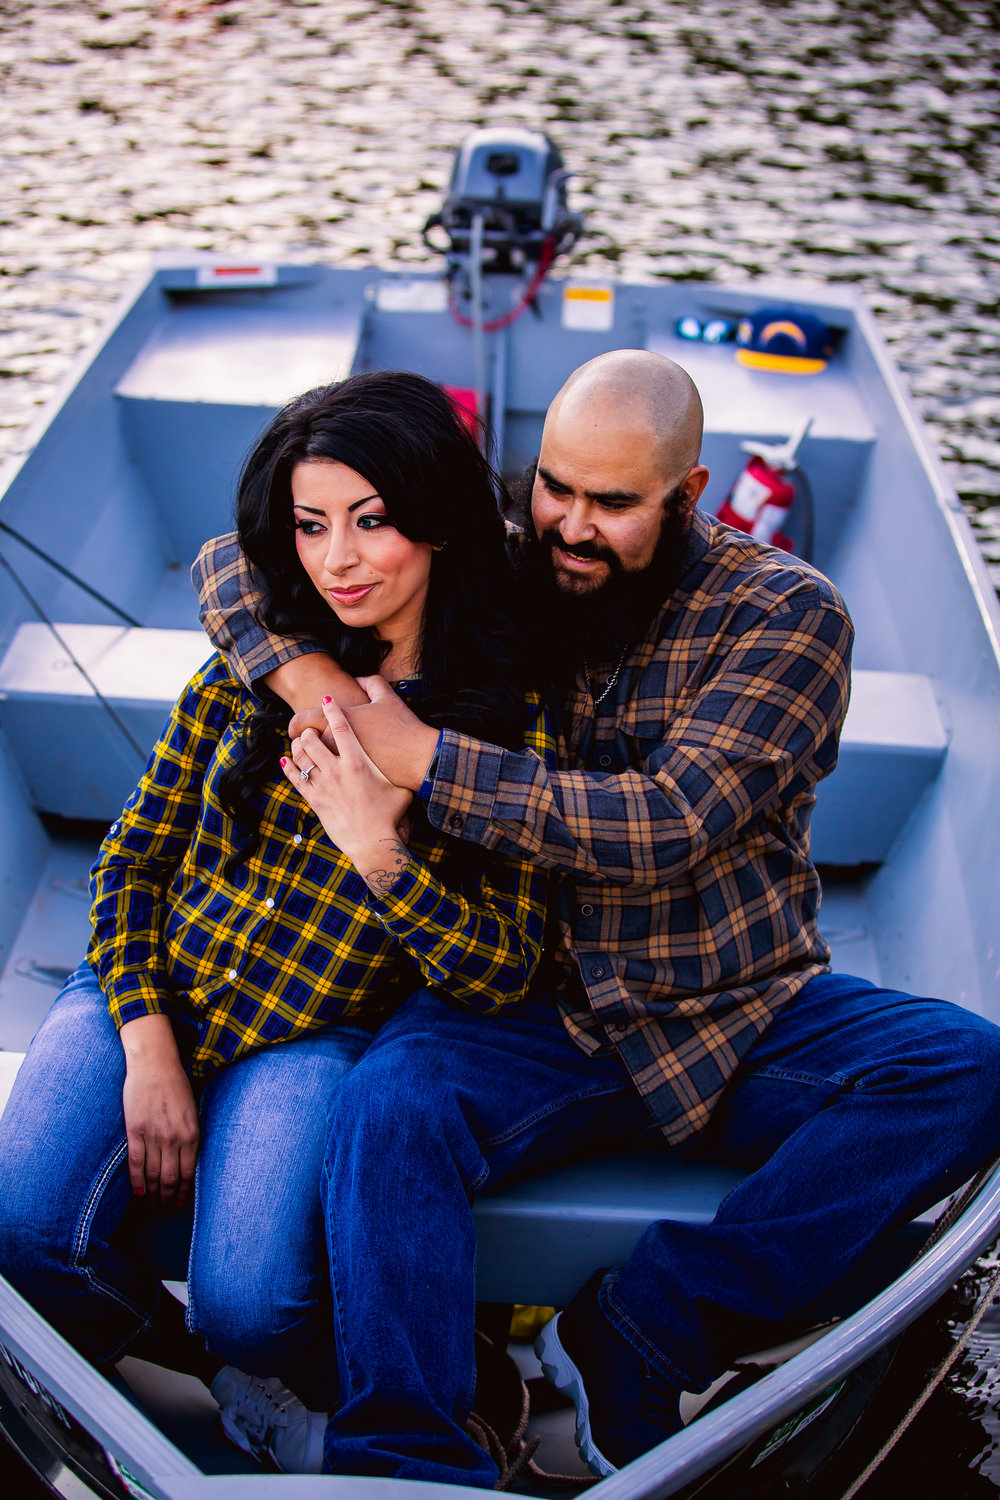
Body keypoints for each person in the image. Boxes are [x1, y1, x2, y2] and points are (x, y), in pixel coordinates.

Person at [194, 349, 1000, 1486]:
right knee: (389, 1106)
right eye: (554, 487)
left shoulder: (785, 619)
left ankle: (648, 1323)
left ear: (690, 493)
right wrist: (332, 698)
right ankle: (412, 1457)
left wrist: (422, 757)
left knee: (965, 1070)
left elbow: (663, 821)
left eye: (613, 504)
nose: (570, 527)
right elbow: (231, 564)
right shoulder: (516, 569)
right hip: (529, 1010)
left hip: (731, 1005)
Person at [0, 370, 554, 1476]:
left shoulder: (506, 719)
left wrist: (379, 853)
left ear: (437, 523)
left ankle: (273, 1366)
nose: (337, 559)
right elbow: (132, 861)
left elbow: (503, 970)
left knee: (251, 1301)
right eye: (310, 526)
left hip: (315, 1029)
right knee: (25, 1235)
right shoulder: (262, 655)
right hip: (145, 978)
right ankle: (209, 1383)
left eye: (372, 522)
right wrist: (146, 1043)